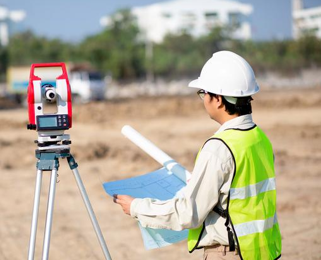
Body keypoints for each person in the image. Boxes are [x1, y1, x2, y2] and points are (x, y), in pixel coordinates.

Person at [113, 51, 282, 260]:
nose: (203, 99)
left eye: (204, 93)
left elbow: (188, 213)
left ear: (218, 99)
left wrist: (137, 207)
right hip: (263, 252)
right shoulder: (259, 138)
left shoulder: (219, 148)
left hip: (230, 252)